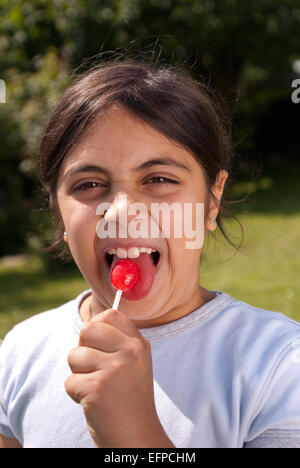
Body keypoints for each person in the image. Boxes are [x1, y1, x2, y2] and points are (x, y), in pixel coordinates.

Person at [1, 57, 300, 449]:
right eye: (89, 184)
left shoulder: (278, 365)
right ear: (58, 212)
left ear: (212, 200)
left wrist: (134, 436)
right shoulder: (21, 352)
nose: (123, 213)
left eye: (159, 179)